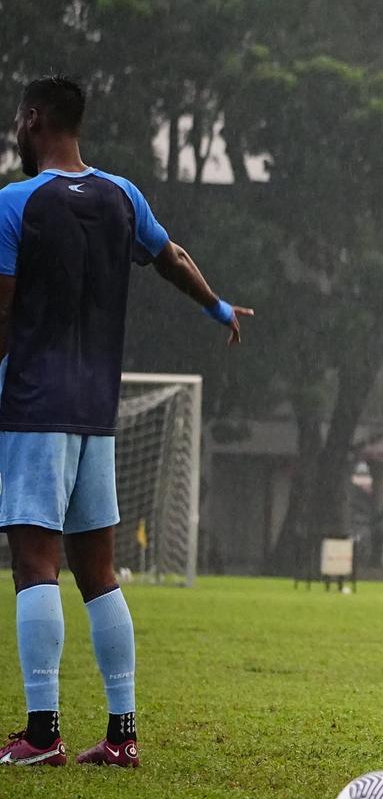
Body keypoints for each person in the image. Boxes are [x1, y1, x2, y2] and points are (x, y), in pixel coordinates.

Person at [0, 76, 252, 767]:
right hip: (96, 410)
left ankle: (42, 734)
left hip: (32, 404)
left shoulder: (15, 202)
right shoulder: (122, 195)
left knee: (34, 565)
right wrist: (218, 308)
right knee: (100, 570)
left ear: (32, 119)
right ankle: (120, 735)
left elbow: (3, 308)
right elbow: (172, 257)